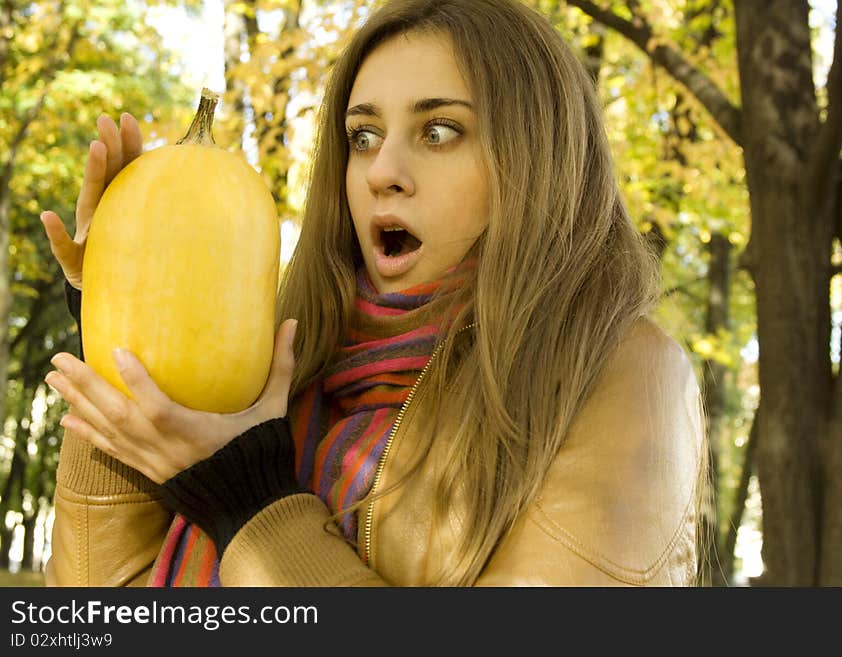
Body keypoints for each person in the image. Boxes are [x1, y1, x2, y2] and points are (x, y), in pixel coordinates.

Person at [40, 0, 707, 587]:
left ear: (536, 161)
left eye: (439, 131)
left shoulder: (621, 373)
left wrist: (255, 506)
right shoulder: (281, 362)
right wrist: (123, 315)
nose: (383, 172)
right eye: (364, 136)